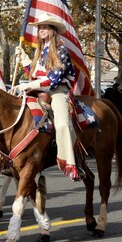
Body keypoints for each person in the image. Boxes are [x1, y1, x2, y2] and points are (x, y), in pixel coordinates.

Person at [12, 12, 79, 180]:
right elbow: (35, 74)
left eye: (44, 27)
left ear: (52, 30)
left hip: (57, 90)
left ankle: (70, 161)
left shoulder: (60, 49)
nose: (41, 30)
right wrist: (24, 59)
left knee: (63, 123)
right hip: (39, 90)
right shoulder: (40, 51)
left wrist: (29, 85)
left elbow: (53, 79)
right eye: (40, 28)